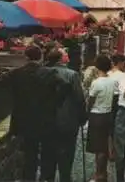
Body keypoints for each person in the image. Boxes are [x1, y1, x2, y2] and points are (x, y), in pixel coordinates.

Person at [9, 44, 68, 181]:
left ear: (26, 57)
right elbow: (65, 85)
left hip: (25, 119)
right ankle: (45, 178)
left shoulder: (17, 73)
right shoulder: (49, 73)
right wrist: (56, 102)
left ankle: (29, 178)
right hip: (46, 118)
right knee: (48, 152)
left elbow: (1, 84)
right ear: (40, 57)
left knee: (29, 154)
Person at [44, 47, 87, 182]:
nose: (67, 54)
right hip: (68, 121)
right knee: (66, 156)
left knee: (49, 154)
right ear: (60, 58)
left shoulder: (44, 73)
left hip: (48, 121)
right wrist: (82, 118)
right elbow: (79, 98)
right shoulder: (72, 75)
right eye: (65, 53)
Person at [86, 54, 116, 182]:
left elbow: (90, 101)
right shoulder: (112, 81)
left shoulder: (96, 83)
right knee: (103, 146)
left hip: (96, 115)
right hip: (108, 115)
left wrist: (86, 113)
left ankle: (98, 175)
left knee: (98, 148)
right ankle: (103, 173)